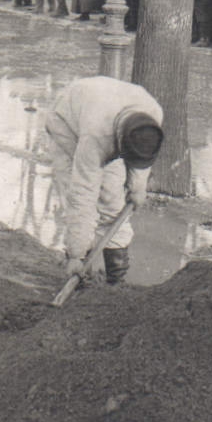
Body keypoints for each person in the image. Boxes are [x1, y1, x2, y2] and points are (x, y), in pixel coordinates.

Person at [44, 75, 164, 290]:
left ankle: (114, 283)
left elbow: (142, 155)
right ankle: (81, 273)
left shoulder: (153, 115)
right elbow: (83, 195)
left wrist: (138, 187)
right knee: (83, 196)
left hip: (106, 113)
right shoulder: (96, 136)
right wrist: (75, 254)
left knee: (114, 204)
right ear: (119, 140)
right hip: (67, 124)